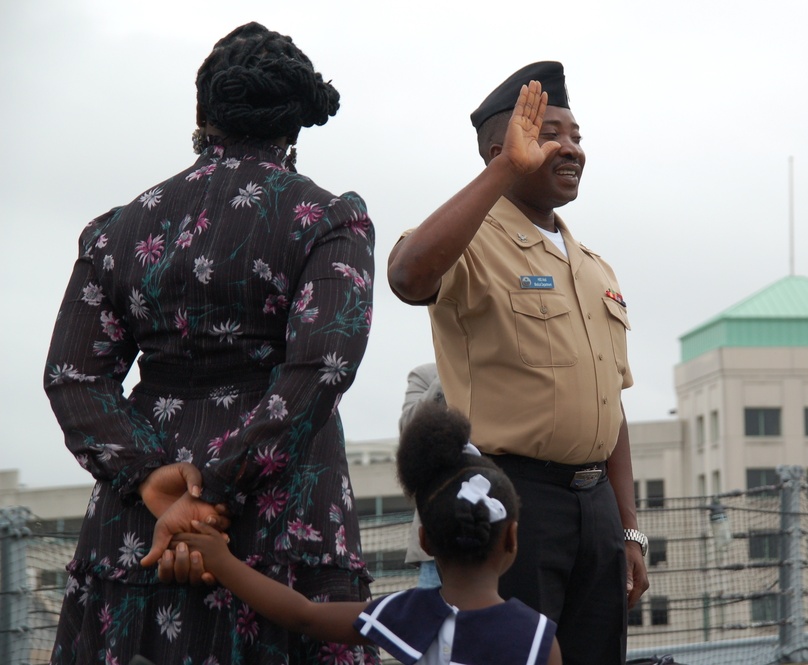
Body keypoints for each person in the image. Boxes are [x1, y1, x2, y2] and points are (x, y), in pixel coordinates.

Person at [42, 22, 378, 664]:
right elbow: (321, 366)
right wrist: (214, 495)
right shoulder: (331, 220)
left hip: (140, 525)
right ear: (294, 125)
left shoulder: (116, 230)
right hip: (284, 519)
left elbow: (72, 376)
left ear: (203, 115)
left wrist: (158, 486)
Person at [387, 62, 648, 664]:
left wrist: (627, 528)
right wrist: (507, 170)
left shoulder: (593, 266)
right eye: (551, 133)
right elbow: (408, 275)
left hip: (597, 509)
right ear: (496, 148)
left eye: (578, 136)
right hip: (514, 499)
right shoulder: (471, 242)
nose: (573, 149)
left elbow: (611, 404)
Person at [175, 404, 562, 665]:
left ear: (425, 541)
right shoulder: (539, 638)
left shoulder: (409, 614)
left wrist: (223, 562)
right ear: (511, 538)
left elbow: (303, 615)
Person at [399, 362, 446, 588]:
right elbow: (410, 431)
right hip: (438, 543)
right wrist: (450, 372)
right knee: (431, 621)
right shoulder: (425, 375)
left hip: (501, 536)